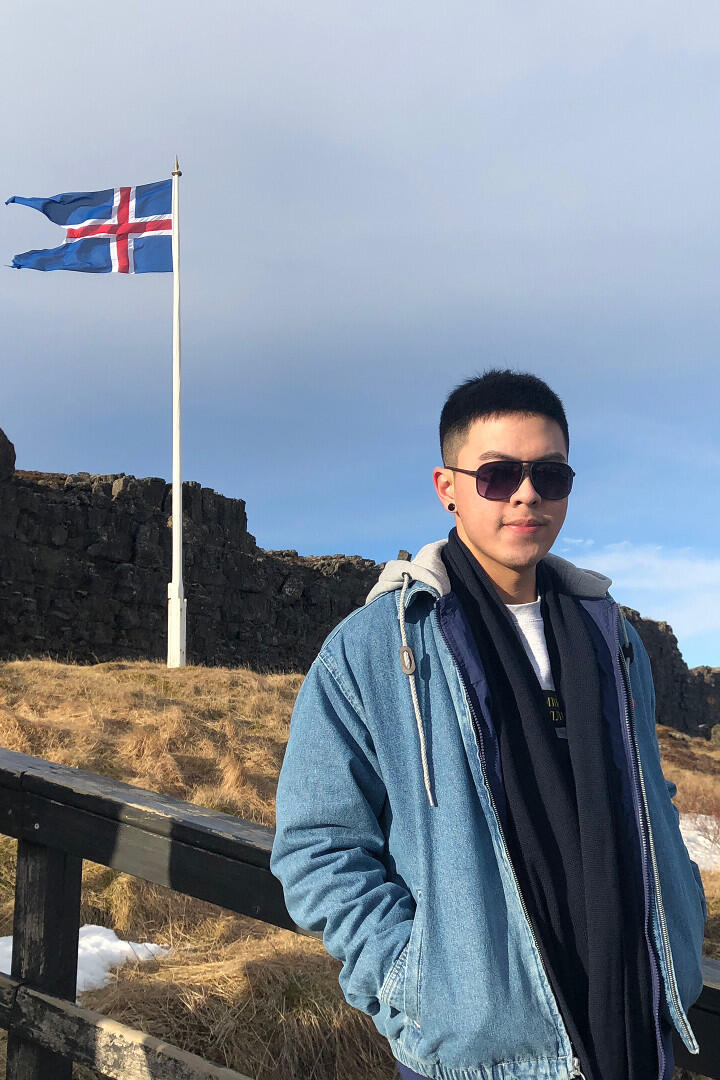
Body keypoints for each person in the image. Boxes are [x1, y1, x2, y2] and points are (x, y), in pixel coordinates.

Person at [271, 370, 707, 1080]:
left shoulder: (612, 639)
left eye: (550, 474)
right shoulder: (379, 646)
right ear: (448, 487)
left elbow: (650, 799)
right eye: (498, 475)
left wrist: (680, 914)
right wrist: (411, 985)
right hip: (478, 1054)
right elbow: (318, 844)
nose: (527, 494)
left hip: (634, 1024)